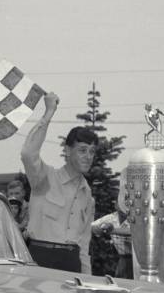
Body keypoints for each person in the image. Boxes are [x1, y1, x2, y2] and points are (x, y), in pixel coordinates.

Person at [20, 91, 96, 274]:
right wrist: (48, 112)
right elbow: (28, 154)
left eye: (92, 152)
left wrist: (87, 279)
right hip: (40, 259)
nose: (88, 157)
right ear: (68, 151)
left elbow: (84, 245)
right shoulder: (45, 178)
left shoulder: (88, 196)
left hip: (71, 263)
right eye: (82, 150)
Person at [92, 209, 132, 278]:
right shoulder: (112, 217)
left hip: (137, 260)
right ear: (116, 204)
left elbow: (134, 232)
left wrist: (112, 230)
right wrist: (102, 227)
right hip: (122, 259)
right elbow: (93, 226)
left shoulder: (135, 216)